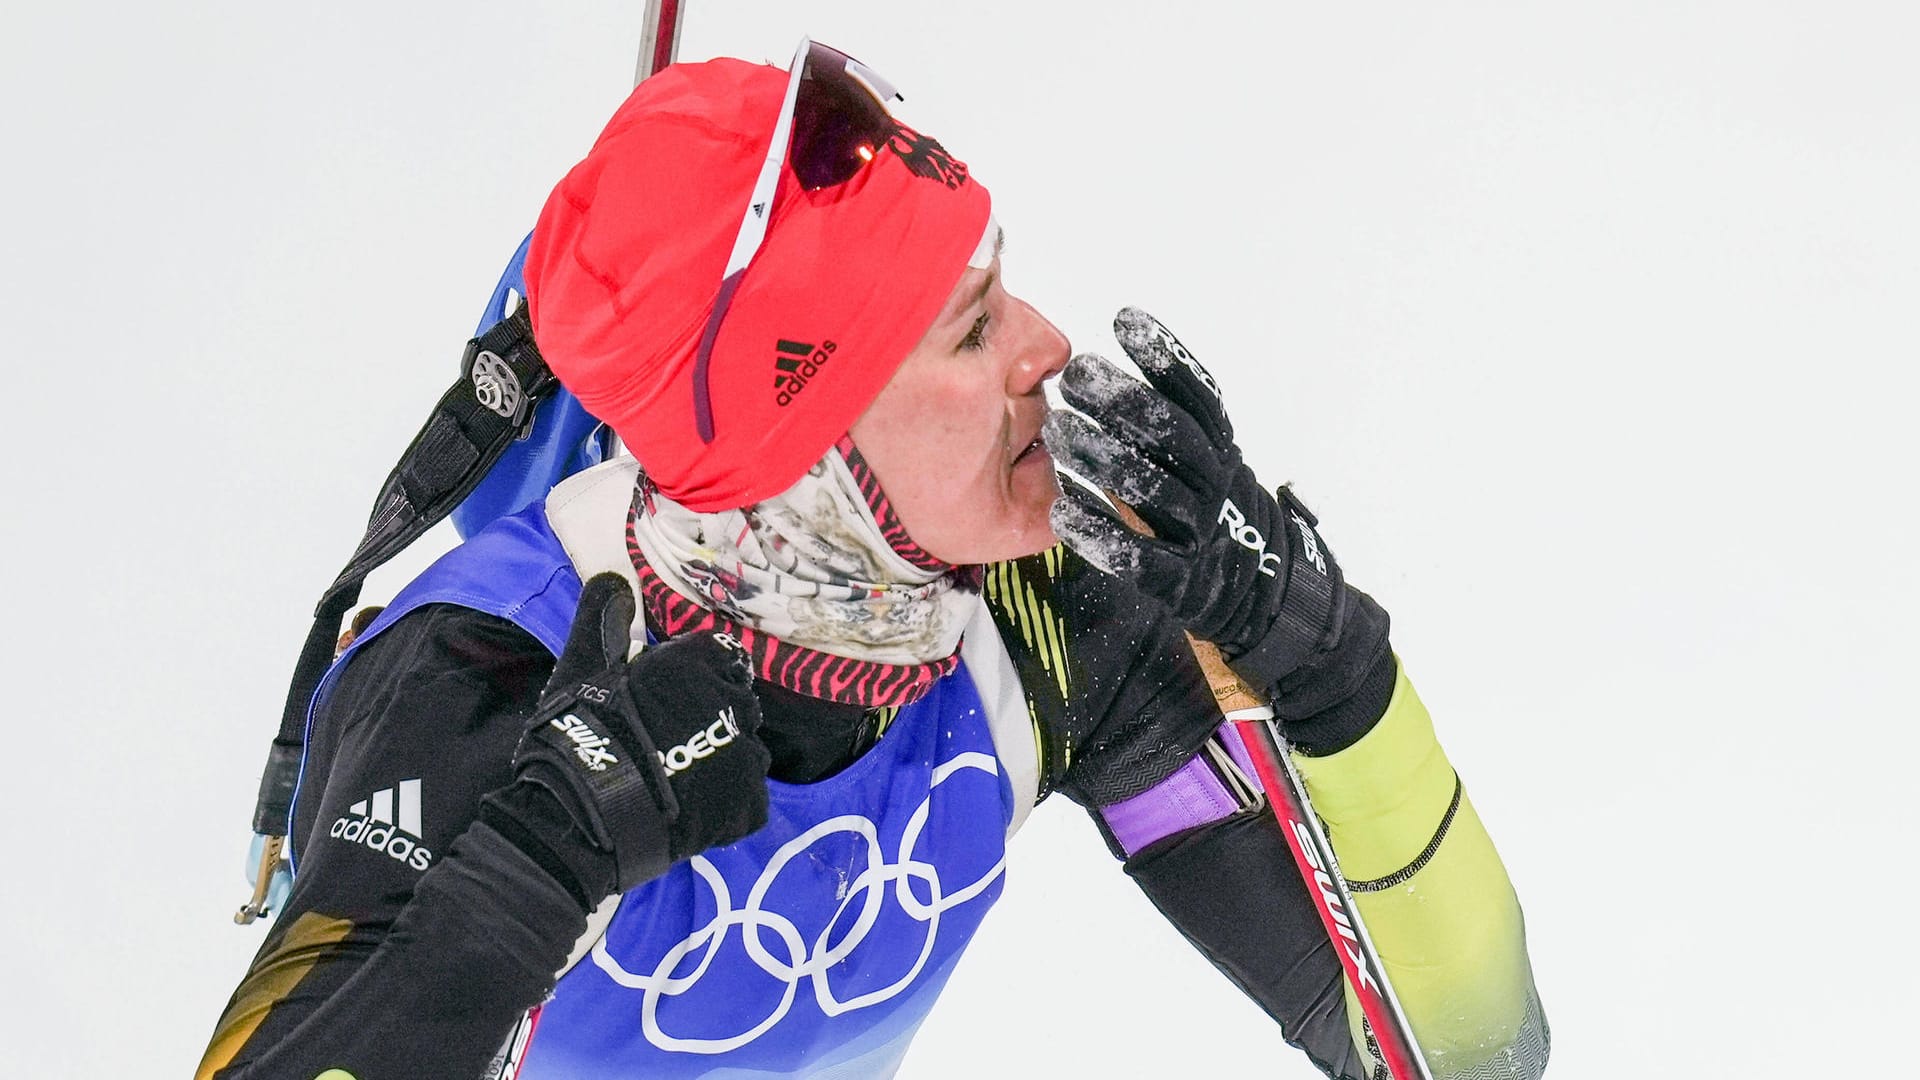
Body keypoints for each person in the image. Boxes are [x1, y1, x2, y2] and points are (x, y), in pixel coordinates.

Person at [198, 41, 1549, 1080]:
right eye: (970, 333)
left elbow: (1466, 1052)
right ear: (807, 453)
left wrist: (1327, 667)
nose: (1047, 346)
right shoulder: (478, 678)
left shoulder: (1035, 627)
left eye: (1002, 284)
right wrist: (533, 865)